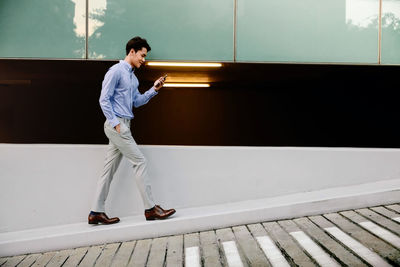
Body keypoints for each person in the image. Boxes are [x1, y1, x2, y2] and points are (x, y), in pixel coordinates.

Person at [88, 36, 175, 224]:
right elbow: (104, 99)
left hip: (124, 124)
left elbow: (137, 101)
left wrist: (154, 89)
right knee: (140, 161)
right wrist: (115, 123)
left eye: (145, 56)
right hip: (117, 125)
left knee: (108, 171)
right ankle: (150, 209)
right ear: (132, 52)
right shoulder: (116, 71)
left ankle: (95, 212)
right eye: (142, 55)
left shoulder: (133, 78)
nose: (144, 59)